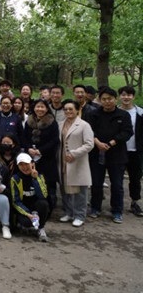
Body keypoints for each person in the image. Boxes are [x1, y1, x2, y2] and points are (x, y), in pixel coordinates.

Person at [88, 87, 133, 223]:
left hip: (117, 154)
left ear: (115, 99)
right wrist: (97, 143)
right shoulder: (94, 114)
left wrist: (112, 142)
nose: (107, 101)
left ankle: (117, 211)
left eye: (110, 99)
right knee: (96, 183)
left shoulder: (123, 115)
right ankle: (95, 207)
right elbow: (89, 131)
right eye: (104, 99)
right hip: (97, 153)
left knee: (117, 185)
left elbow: (127, 132)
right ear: (100, 100)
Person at [58, 100, 94, 227]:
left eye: (71, 109)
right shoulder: (61, 124)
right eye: (65, 109)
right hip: (62, 160)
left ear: (77, 110)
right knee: (65, 188)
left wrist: (74, 153)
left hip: (77, 161)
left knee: (80, 191)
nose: (68, 111)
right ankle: (69, 212)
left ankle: (80, 215)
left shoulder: (84, 125)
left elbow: (89, 144)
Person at [23, 99, 60, 211]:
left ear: (47, 108)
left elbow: (55, 140)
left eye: (42, 107)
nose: (40, 109)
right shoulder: (29, 122)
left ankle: (49, 207)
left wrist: (41, 150)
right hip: (31, 157)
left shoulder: (52, 122)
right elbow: (24, 138)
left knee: (48, 183)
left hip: (47, 158)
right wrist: (28, 148)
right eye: (37, 107)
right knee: (32, 182)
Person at [11, 153, 49, 242]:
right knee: (27, 222)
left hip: (36, 207)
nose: (24, 167)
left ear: (32, 163)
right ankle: (22, 224)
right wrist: (28, 214)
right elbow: (15, 201)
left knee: (44, 203)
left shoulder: (39, 176)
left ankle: (41, 228)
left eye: (26, 164)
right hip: (24, 209)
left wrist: (36, 179)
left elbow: (44, 195)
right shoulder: (15, 179)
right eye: (21, 164)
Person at [118, 86, 143, 217]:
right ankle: (117, 204)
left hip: (135, 150)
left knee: (135, 178)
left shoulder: (140, 113)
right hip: (118, 151)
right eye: (123, 94)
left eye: (129, 95)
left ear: (133, 96)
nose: (126, 97)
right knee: (117, 179)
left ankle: (135, 202)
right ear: (119, 97)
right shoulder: (114, 111)